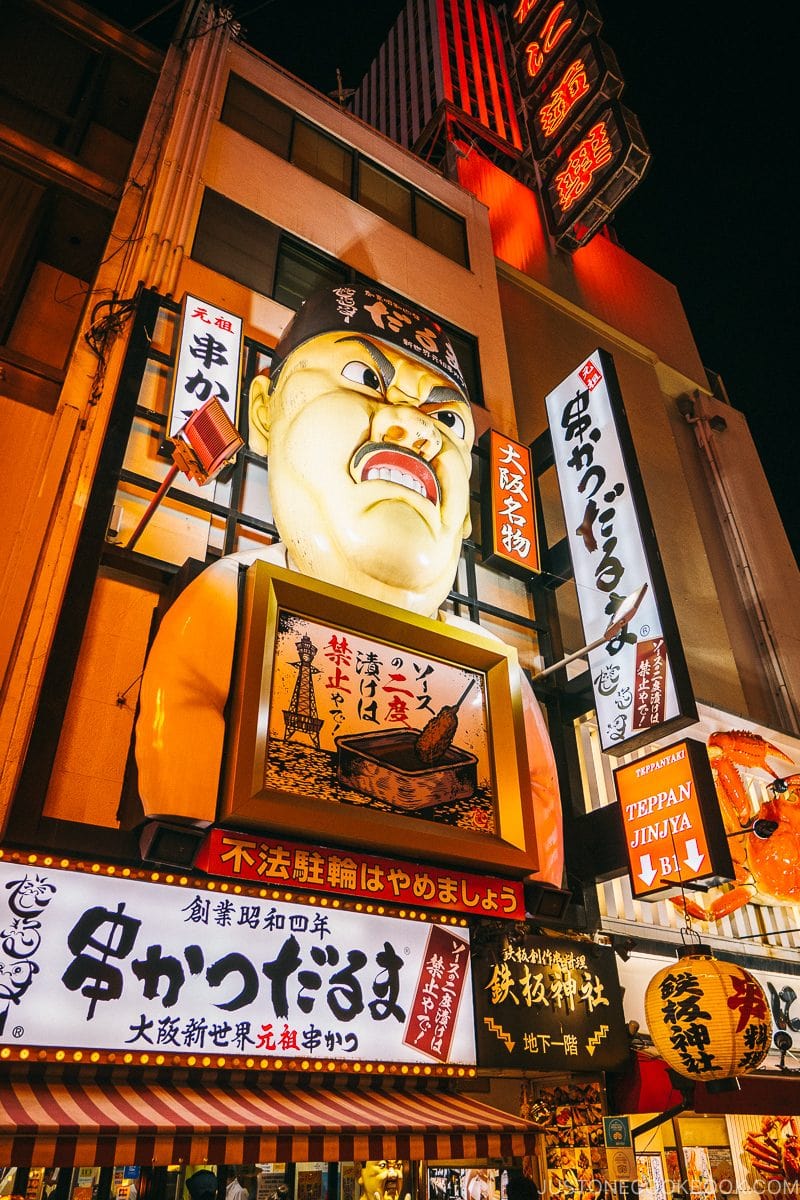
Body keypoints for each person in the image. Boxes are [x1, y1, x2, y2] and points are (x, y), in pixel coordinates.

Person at [135, 284, 563, 884]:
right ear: (266, 410)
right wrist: (192, 835)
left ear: (468, 514)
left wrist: (536, 890)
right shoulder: (236, 588)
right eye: (363, 376)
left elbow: (536, 786)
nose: (414, 430)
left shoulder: (490, 659)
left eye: (444, 419)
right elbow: (185, 701)